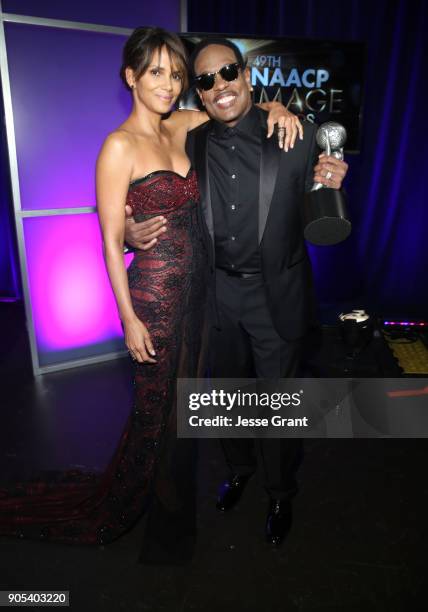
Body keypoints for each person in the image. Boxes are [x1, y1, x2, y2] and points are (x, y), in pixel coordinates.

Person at [0, 28, 300, 562]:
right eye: (157, 72)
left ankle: (187, 502)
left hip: (203, 298)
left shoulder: (184, 125)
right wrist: (128, 317)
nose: (170, 84)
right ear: (131, 77)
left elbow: (235, 103)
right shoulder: (118, 145)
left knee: (187, 410)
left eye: (177, 75)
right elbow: (110, 244)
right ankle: (165, 530)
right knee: (158, 416)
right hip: (156, 300)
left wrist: (277, 103)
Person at [124, 37, 349, 548]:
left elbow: (326, 185)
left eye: (228, 73)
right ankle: (241, 468)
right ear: (198, 95)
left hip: (277, 298)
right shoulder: (192, 139)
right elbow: (140, 189)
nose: (219, 86)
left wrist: (333, 176)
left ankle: (279, 490)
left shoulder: (294, 133)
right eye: (205, 81)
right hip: (216, 297)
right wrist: (125, 234)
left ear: (246, 76)